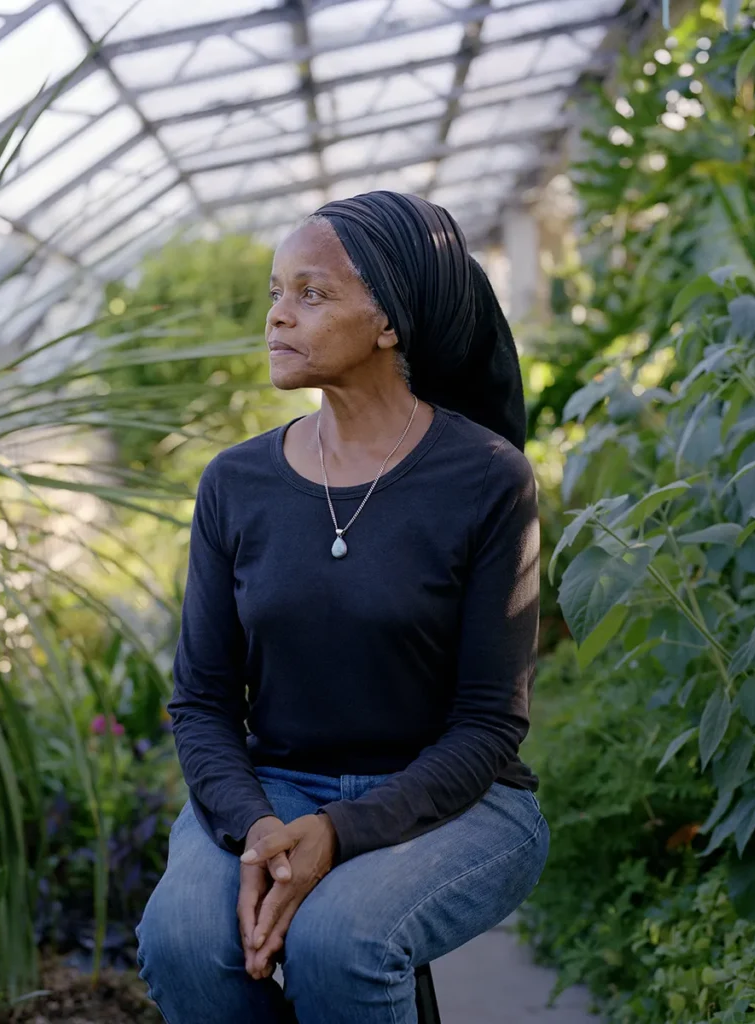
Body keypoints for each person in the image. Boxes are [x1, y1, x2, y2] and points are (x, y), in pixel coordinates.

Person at [135, 190, 549, 1024]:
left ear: (389, 322)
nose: (278, 317)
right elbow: (202, 700)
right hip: (274, 786)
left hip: (459, 798)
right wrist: (258, 827)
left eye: (311, 294)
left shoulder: (486, 479)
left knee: (339, 943)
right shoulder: (236, 483)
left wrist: (342, 831)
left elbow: (486, 726)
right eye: (275, 293)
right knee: (183, 940)